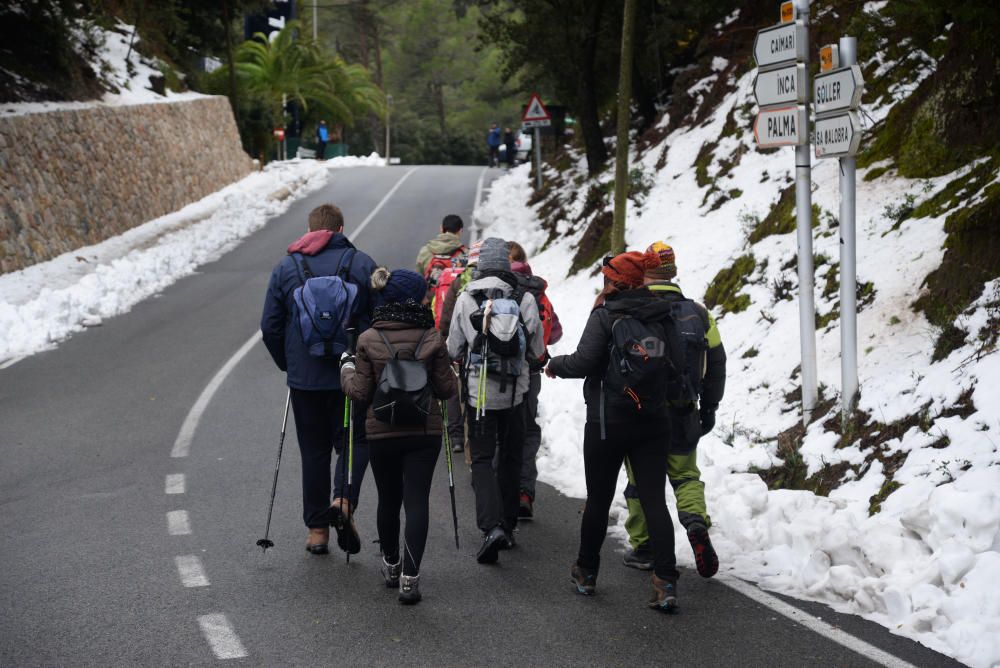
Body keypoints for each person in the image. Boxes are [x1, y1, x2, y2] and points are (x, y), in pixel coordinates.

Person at [545, 251, 681, 612]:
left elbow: (584, 361)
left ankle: (587, 572)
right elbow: (678, 365)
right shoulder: (663, 314)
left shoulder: (606, 315)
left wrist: (554, 364)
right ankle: (665, 581)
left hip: (608, 422)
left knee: (600, 499)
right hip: (653, 421)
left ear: (612, 281)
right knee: (654, 499)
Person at [260, 203, 376, 555]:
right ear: (340, 229)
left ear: (309, 230)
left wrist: (289, 363)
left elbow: (270, 326)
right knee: (356, 441)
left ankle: (316, 531)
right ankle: (343, 500)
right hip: (351, 374)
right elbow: (376, 318)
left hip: (305, 378)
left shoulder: (287, 266)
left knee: (313, 452)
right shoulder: (360, 263)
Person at [340, 267, 457, 604]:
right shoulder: (432, 337)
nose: (427, 298)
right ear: (414, 299)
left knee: (388, 499)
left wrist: (345, 369)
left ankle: (390, 566)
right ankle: (410, 578)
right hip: (424, 431)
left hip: (383, 431)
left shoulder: (368, 339)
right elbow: (447, 388)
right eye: (424, 294)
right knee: (416, 500)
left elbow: (360, 393)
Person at [621, 242, 726, 578]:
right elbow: (717, 363)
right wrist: (709, 407)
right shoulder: (698, 313)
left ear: (645, 271)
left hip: (643, 413)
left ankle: (645, 546)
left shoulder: (634, 310)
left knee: (640, 482)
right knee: (685, 477)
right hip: (684, 410)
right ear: (673, 271)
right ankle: (695, 522)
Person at [447, 237, 544, 564]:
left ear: (479, 266)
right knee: (512, 457)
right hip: (516, 393)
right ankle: (508, 524)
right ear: (506, 265)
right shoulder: (525, 297)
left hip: (479, 395)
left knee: (484, 459)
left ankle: (491, 528)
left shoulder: (466, 297)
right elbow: (535, 350)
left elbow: (453, 348)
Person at [506, 241, 563, 520]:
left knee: (499, 431)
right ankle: (525, 493)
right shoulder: (539, 293)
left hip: (500, 374)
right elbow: (555, 332)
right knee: (528, 431)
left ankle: (499, 492)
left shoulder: (497, 288)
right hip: (531, 372)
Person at [415, 214, 465, 279]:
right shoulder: (464, 253)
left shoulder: (425, 250)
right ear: (460, 231)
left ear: (441, 228)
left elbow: (418, 277)